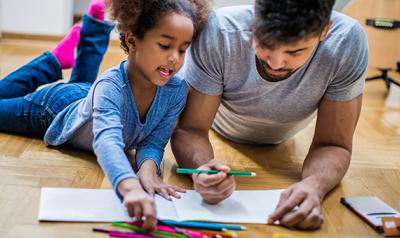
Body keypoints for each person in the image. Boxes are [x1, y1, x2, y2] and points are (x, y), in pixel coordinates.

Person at [0, 0, 210, 230]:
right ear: (132, 41)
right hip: (55, 108)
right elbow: (107, 140)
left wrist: (148, 169)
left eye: (182, 49)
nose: (175, 59)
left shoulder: (176, 91)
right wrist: (129, 186)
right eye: (165, 46)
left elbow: (154, 141)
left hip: (89, 98)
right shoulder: (110, 85)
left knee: (85, 86)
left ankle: (91, 32)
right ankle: (52, 62)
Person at [172, 0, 368, 230]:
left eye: (294, 51)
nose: (275, 63)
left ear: (324, 30)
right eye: (265, 44)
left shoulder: (346, 42)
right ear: (253, 18)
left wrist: (315, 185)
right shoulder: (220, 31)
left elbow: (333, 144)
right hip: (219, 126)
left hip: (284, 136)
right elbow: (190, 129)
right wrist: (202, 168)